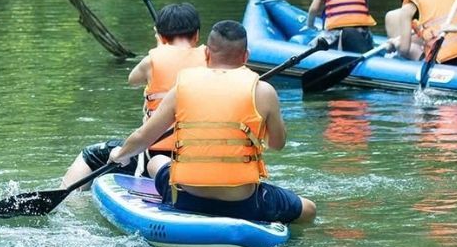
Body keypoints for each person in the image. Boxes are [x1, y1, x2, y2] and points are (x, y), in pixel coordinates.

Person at [105, 20, 316, 225]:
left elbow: (143, 138)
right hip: (243, 203)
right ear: (246, 56)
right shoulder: (264, 91)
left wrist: (120, 154)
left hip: (187, 198)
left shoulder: (181, 88)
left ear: (207, 53)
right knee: (309, 210)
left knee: (155, 162)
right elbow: (277, 145)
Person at [60, 3, 205, 187]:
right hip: (202, 154)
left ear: (160, 36)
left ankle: (70, 202)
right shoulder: (211, 59)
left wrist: (160, 50)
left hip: (158, 156)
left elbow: (133, 79)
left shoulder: (151, 61)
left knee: (90, 155)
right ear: (197, 35)